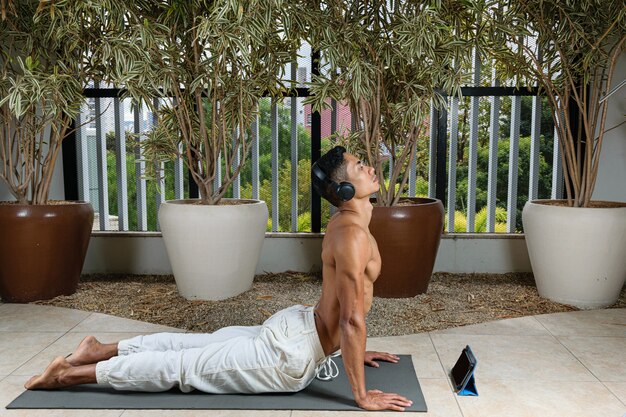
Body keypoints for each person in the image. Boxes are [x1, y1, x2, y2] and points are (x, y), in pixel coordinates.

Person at [25, 146, 413, 412]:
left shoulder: (350, 225)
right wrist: (361, 395)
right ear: (344, 190)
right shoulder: (352, 235)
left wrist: (351, 351)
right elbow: (349, 318)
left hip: (298, 327)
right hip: (289, 352)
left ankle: (98, 349)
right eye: (359, 166)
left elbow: (344, 309)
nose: (368, 166)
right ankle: (69, 374)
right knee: (185, 368)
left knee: (193, 345)